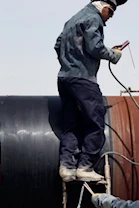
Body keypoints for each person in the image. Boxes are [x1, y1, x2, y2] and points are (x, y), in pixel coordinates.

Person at [54, 0, 128, 182]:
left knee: (70, 122)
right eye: (110, 13)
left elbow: (58, 44)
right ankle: (85, 167)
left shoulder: (73, 19)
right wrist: (113, 55)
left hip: (65, 78)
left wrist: (69, 61)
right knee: (95, 123)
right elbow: (95, 47)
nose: (109, 18)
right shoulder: (93, 18)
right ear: (104, 6)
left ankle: (67, 167)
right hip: (84, 80)